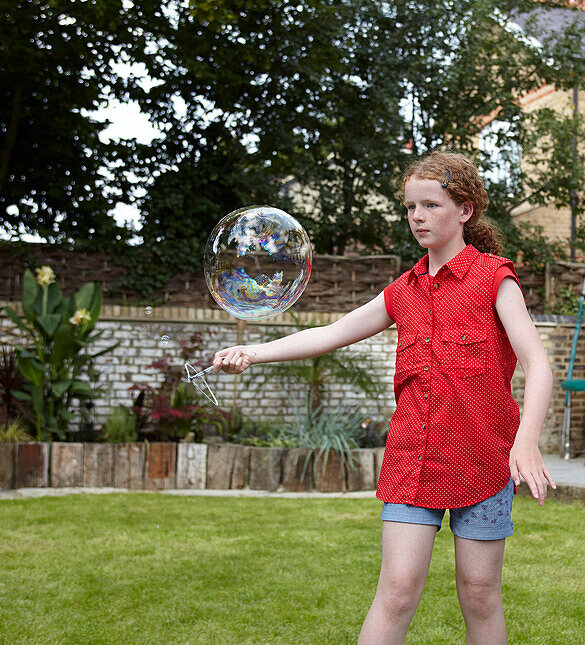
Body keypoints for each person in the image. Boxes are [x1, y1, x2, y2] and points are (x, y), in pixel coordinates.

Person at [212, 151, 555, 645]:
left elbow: (537, 364)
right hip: (411, 463)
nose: (418, 216)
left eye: (431, 205)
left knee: (480, 593)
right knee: (395, 592)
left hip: (484, 461)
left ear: (465, 211)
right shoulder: (403, 291)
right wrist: (252, 351)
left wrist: (526, 442)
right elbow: (332, 331)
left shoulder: (494, 279)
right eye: (410, 206)